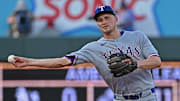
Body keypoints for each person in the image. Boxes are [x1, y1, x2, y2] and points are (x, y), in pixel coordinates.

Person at [11, 5, 161, 101]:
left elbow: (156, 61)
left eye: (107, 17)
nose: (103, 21)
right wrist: (29, 62)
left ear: (115, 19)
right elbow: (63, 61)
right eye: (99, 19)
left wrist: (136, 64)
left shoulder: (137, 37)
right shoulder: (94, 47)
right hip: (120, 98)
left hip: (147, 96)